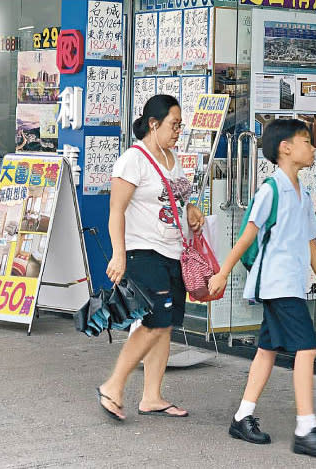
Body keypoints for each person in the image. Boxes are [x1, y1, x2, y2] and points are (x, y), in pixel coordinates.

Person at [208, 119, 316, 457]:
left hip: (292, 285)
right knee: (307, 349)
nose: (312, 148)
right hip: (277, 285)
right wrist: (222, 273)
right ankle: (306, 428)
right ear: (286, 148)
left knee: (266, 350)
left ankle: (242, 416)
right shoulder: (271, 190)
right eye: (306, 141)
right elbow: (247, 236)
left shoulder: (303, 193)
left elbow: (311, 241)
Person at [97, 95, 205, 421]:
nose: (178, 131)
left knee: (165, 325)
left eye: (180, 125)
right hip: (143, 252)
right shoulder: (133, 160)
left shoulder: (172, 158)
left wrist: (193, 211)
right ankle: (113, 386)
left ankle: (152, 397)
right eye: (174, 124)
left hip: (174, 252)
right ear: (154, 124)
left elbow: (181, 201)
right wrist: (118, 254)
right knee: (154, 322)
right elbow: (116, 210)